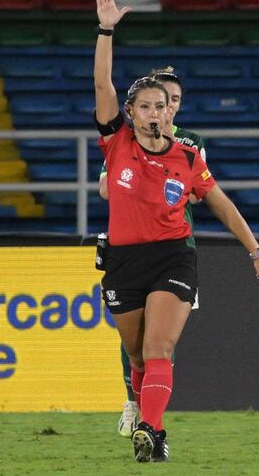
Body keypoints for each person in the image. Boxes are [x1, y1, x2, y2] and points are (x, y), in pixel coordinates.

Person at [94, 0, 259, 462]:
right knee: (136, 356)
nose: (155, 112)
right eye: (145, 106)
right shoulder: (116, 144)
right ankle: (147, 421)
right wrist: (106, 30)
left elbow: (221, 204)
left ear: (169, 112)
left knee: (159, 347)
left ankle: (151, 430)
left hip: (174, 255)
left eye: (162, 106)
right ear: (130, 113)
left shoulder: (187, 156)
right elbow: (102, 86)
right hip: (123, 260)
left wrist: (257, 253)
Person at [99, 67, 207, 438]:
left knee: (159, 342)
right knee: (136, 343)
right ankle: (135, 401)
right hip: (129, 248)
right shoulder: (125, 140)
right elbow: (105, 186)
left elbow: (200, 192)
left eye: (173, 101)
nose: (167, 109)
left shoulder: (190, 145)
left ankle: (150, 421)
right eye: (159, 102)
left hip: (177, 246)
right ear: (137, 108)